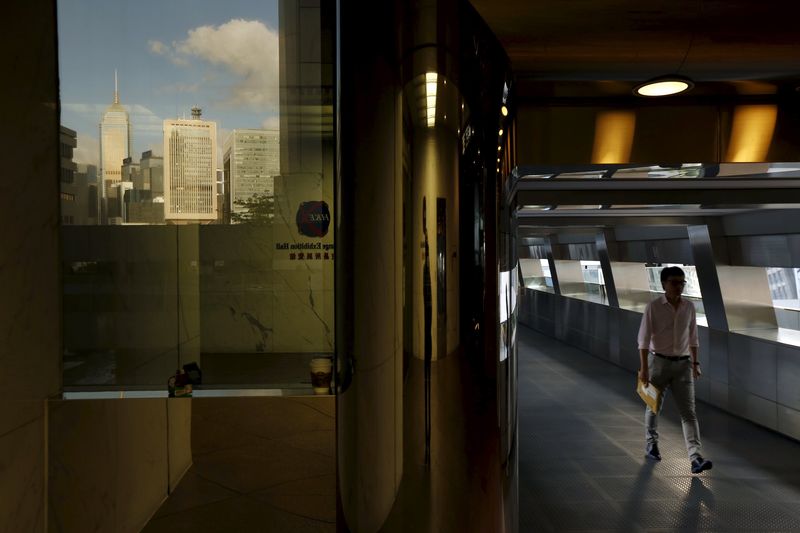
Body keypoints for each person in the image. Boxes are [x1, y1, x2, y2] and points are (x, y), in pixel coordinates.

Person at [637, 266, 712, 474]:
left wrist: (695, 363)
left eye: (682, 283)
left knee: (689, 413)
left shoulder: (689, 307)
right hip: (657, 363)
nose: (679, 286)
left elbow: (693, 338)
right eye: (674, 282)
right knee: (653, 406)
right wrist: (644, 368)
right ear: (663, 284)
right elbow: (643, 341)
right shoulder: (653, 307)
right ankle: (651, 444)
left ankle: (695, 457)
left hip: (683, 365)